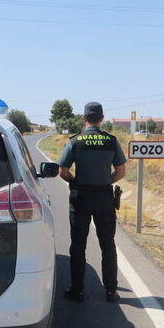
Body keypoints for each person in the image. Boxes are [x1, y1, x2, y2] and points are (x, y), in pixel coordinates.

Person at [58, 102, 127, 302]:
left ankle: (77, 290)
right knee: (108, 244)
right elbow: (121, 171)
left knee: (78, 245)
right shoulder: (111, 141)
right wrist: (107, 182)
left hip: (81, 198)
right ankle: (111, 291)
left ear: (84, 118)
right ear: (102, 118)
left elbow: (62, 171)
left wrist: (75, 182)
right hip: (104, 197)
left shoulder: (75, 142)